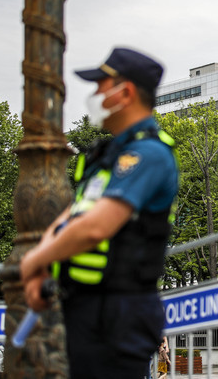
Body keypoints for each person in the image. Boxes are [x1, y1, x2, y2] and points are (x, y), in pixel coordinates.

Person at [20, 47, 179, 379]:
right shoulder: (107, 154)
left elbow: (95, 227)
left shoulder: (149, 153)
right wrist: (44, 262)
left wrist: (32, 262)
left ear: (126, 92)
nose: (95, 95)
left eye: (101, 86)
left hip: (121, 312)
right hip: (88, 308)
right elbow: (72, 216)